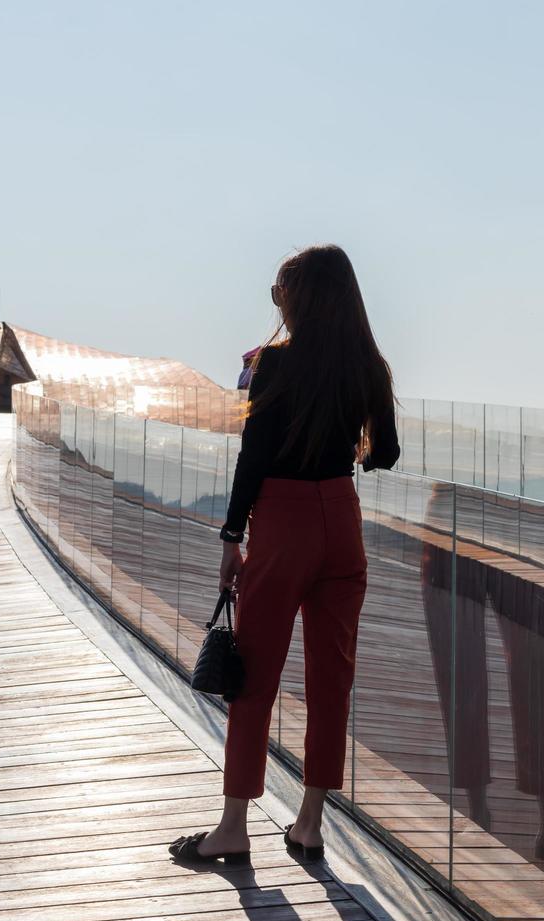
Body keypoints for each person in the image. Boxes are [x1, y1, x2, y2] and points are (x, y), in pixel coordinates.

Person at [168, 244, 400, 864]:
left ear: (298, 299)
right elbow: (386, 455)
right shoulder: (369, 367)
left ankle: (235, 826)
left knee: (254, 678)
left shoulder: (273, 366)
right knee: (332, 683)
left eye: (280, 294)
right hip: (341, 526)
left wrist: (230, 537)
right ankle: (309, 824)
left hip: (283, 523)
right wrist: (344, 435)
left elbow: (253, 460)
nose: (278, 305)